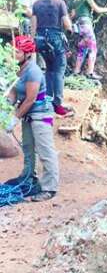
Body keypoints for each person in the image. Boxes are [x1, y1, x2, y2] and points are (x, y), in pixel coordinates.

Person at [5, 36, 59, 202]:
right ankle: (28, 177)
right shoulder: (18, 69)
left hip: (41, 115)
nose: (14, 53)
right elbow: (14, 91)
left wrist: (14, 117)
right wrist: (5, 105)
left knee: (45, 150)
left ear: (27, 54)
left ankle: (50, 187)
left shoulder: (33, 71)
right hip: (29, 115)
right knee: (28, 149)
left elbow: (30, 99)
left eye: (17, 51)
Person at [31, 0, 73, 117]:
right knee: (59, 71)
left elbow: (33, 25)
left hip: (41, 40)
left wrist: (33, 41)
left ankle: (48, 101)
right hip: (55, 40)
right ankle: (58, 105)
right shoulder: (60, 3)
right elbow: (67, 25)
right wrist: (71, 27)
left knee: (49, 70)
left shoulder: (36, 4)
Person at [71, 0, 107, 79]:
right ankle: (90, 72)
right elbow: (97, 9)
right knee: (93, 48)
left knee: (83, 48)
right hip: (86, 24)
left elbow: (72, 15)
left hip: (79, 25)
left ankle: (76, 71)